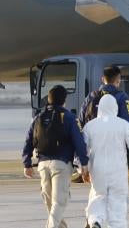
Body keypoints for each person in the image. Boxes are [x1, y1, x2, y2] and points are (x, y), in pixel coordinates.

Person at [22, 85, 89, 228]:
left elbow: (29, 139)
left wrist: (27, 163)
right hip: (61, 165)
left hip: (42, 165)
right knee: (59, 202)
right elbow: (78, 141)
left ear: (49, 99)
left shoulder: (39, 117)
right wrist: (83, 163)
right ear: (64, 100)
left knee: (50, 203)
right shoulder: (69, 117)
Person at [83, 94, 129, 228]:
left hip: (97, 170)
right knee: (117, 205)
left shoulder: (90, 126)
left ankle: (95, 221)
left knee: (98, 197)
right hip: (118, 172)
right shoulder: (123, 124)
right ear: (115, 108)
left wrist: (84, 169)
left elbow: (84, 151)